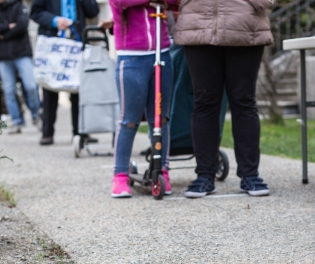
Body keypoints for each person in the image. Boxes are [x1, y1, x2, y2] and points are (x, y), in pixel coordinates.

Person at [174, 0, 274, 198]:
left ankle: (250, 175)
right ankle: (204, 176)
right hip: (198, 25)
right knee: (204, 102)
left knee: (244, 101)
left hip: (245, 26)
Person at [104, 0, 177, 198]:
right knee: (129, 120)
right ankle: (120, 175)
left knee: (161, 119)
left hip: (161, 53)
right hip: (131, 57)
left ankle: (162, 170)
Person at [30, 0, 100, 145]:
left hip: (77, 41)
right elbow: (35, 12)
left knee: (79, 89)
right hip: (53, 42)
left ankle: (80, 132)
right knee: (50, 89)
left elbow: (93, 11)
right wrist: (54, 21)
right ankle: (47, 132)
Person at [0, 0, 42, 134]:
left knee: (31, 86)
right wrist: (8, 26)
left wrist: (3, 36)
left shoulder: (19, 7)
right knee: (9, 90)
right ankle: (16, 122)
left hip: (22, 54)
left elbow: (22, 26)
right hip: (4, 58)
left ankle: (36, 115)